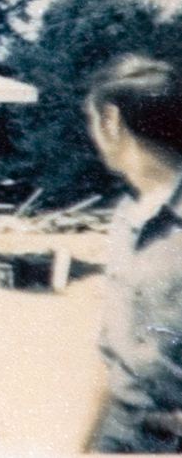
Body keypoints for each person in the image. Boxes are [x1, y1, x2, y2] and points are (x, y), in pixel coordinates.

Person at [81, 54, 182, 453]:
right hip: (121, 437)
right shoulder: (128, 218)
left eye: (92, 122)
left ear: (110, 121)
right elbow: (113, 362)